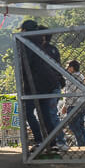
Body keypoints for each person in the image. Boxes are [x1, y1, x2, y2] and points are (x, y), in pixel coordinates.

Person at [18, 20, 66, 153]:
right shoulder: (42, 44)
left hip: (35, 84)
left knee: (28, 112)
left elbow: (25, 65)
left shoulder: (27, 43)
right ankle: (52, 142)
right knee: (46, 115)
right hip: (49, 83)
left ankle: (40, 140)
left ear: (25, 30)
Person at [60, 60, 85, 147]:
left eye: (67, 67)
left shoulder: (70, 78)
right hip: (82, 104)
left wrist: (65, 106)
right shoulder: (81, 77)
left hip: (73, 105)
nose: (66, 69)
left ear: (71, 68)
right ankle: (83, 144)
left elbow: (69, 94)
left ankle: (80, 144)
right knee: (80, 125)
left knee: (73, 126)